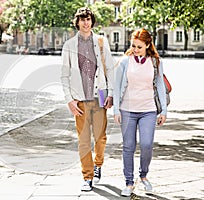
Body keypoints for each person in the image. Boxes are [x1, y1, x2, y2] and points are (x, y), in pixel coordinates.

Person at [61, 7, 115, 191]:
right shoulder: (69, 45)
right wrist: (69, 99)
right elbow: (64, 75)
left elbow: (111, 68)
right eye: (82, 19)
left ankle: (98, 164)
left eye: (88, 19)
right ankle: (87, 176)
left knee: (100, 137)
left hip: (99, 95)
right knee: (83, 139)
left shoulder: (101, 41)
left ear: (92, 21)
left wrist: (111, 93)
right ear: (77, 22)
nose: (86, 23)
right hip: (80, 99)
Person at [113, 28, 167, 196]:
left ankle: (143, 175)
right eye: (133, 46)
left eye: (139, 47)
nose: (135, 50)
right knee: (128, 147)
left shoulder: (156, 62)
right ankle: (129, 182)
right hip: (127, 110)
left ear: (148, 45)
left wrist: (163, 110)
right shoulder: (124, 62)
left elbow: (160, 86)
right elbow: (116, 87)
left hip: (148, 110)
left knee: (146, 145)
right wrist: (116, 110)